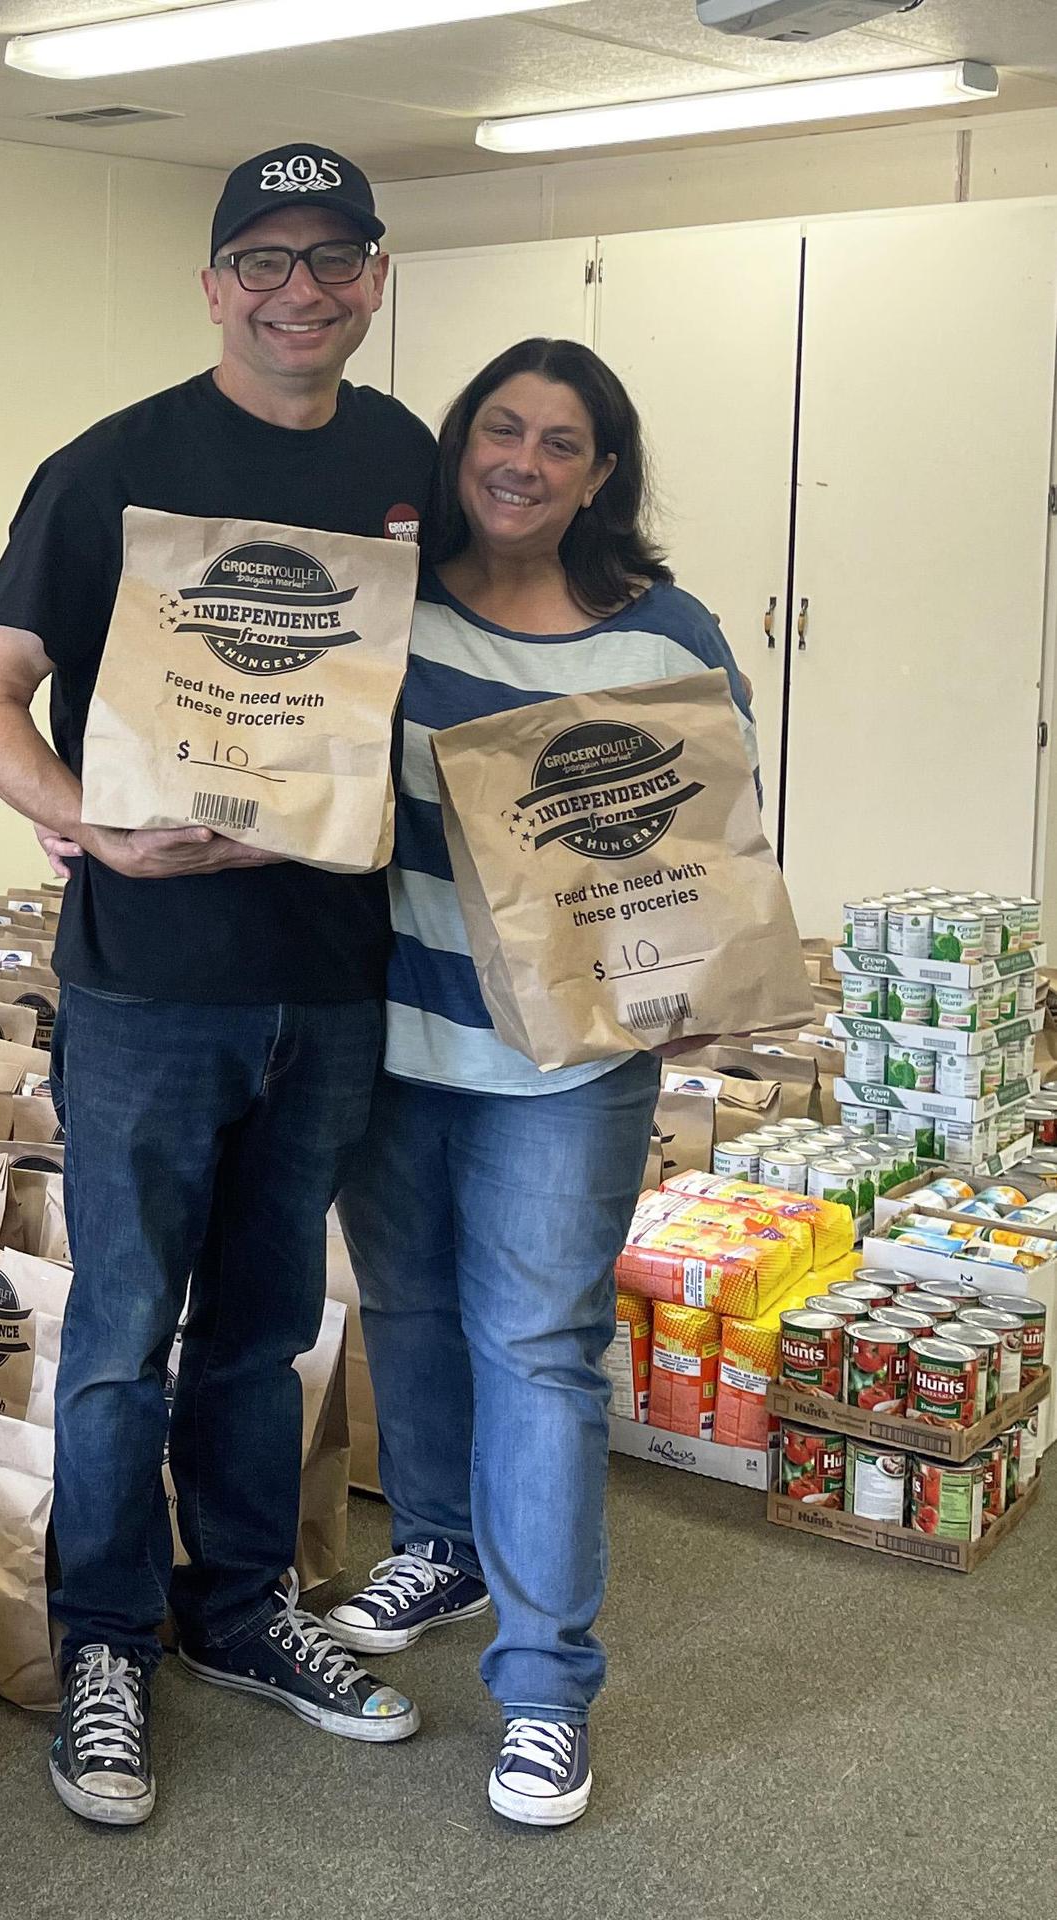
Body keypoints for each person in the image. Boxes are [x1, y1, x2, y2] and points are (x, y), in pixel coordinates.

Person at [0, 143, 436, 1829]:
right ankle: (100, 1641)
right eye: (265, 260)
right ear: (214, 279)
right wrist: (82, 824)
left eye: (336, 258)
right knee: (123, 1337)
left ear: (373, 274)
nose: (301, 290)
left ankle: (237, 1612)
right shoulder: (114, 470)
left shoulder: (399, 457)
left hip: (336, 971)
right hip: (154, 980)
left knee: (267, 1326)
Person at [323, 338, 757, 1830]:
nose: (519, 460)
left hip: (564, 1061)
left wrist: (698, 980)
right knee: (414, 1311)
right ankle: (439, 1541)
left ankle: (546, 1686)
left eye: (557, 442)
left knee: (541, 1348)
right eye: (495, 430)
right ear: (457, 448)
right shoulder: (387, 609)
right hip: (387, 1029)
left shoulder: (666, 638)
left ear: (600, 472)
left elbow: (703, 846)